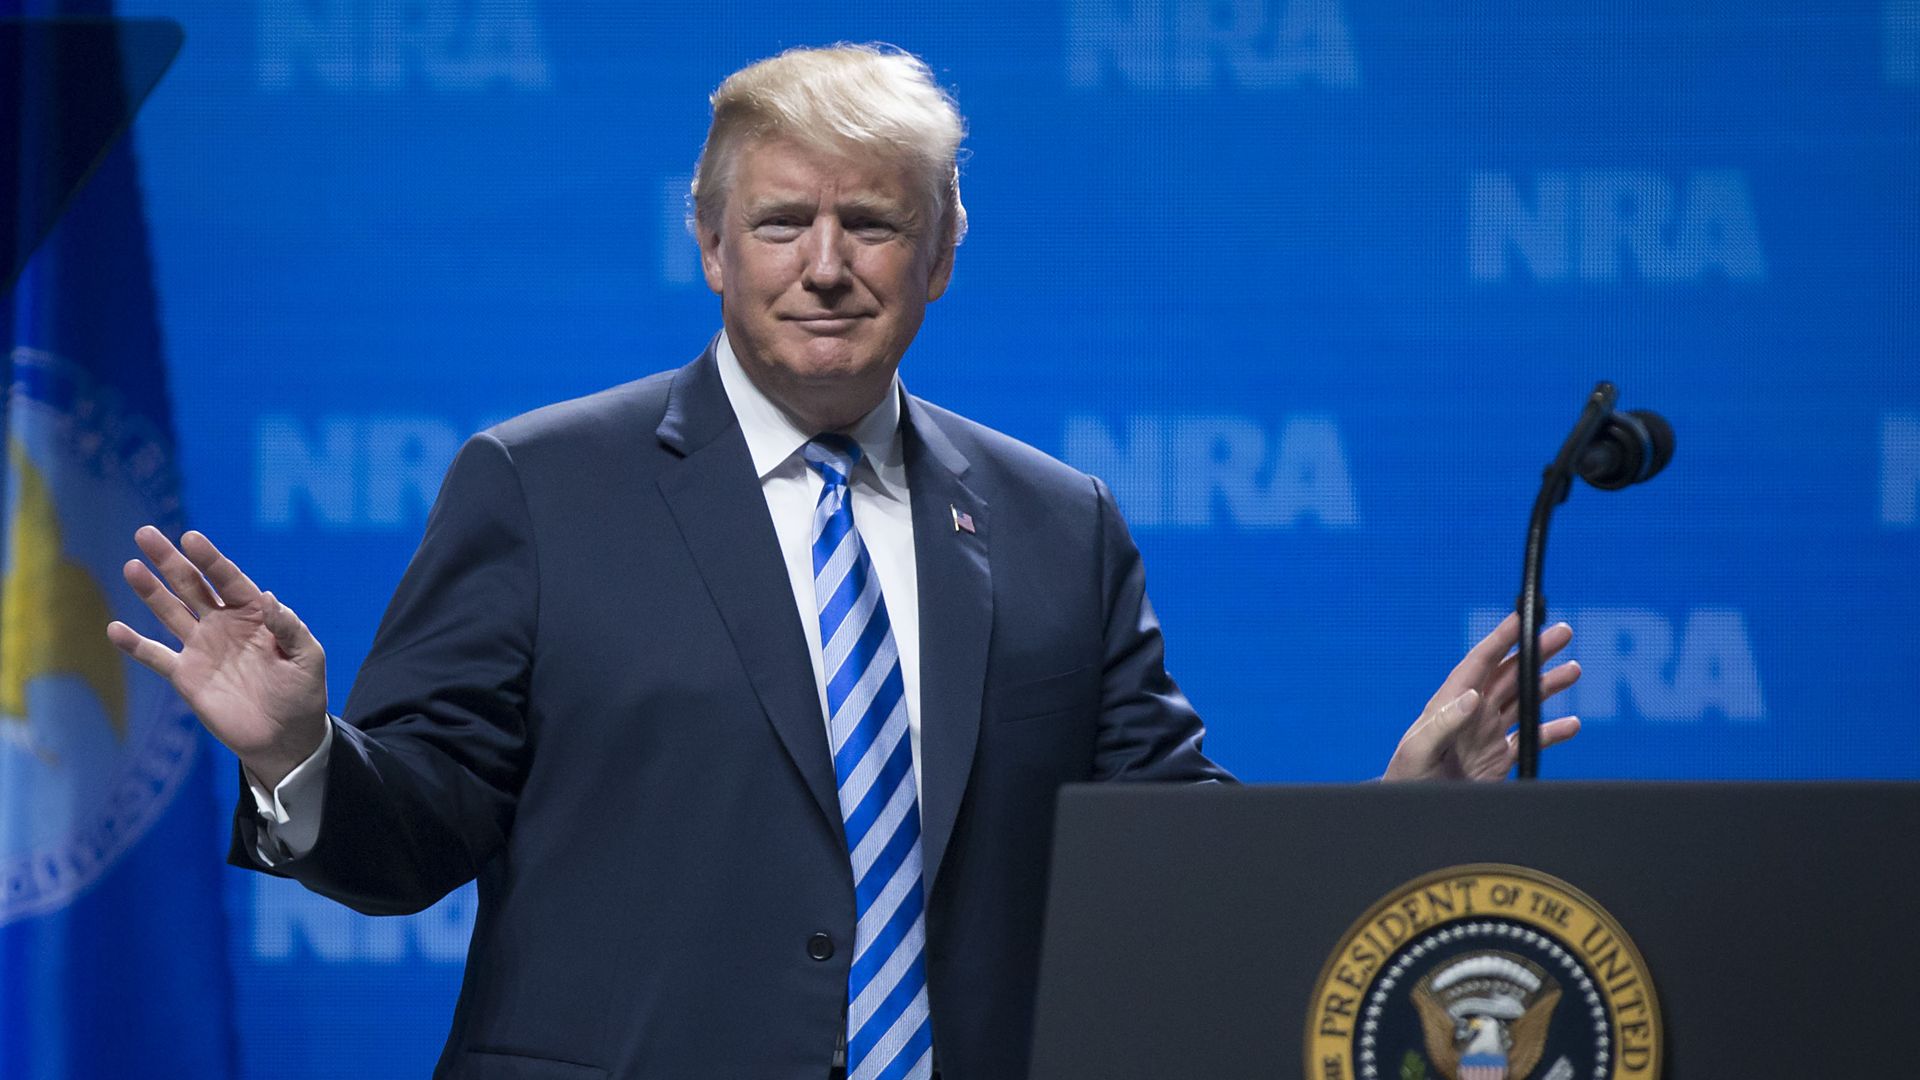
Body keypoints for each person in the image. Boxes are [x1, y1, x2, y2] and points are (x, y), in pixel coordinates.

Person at [106, 44, 1580, 1080]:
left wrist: (1389, 823)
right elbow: (415, 841)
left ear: (941, 251)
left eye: (871, 223)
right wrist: (302, 752)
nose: (826, 263)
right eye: (781, 222)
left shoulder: (1057, 519)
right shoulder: (541, 485)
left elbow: (1160, 858)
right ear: (710, 245)